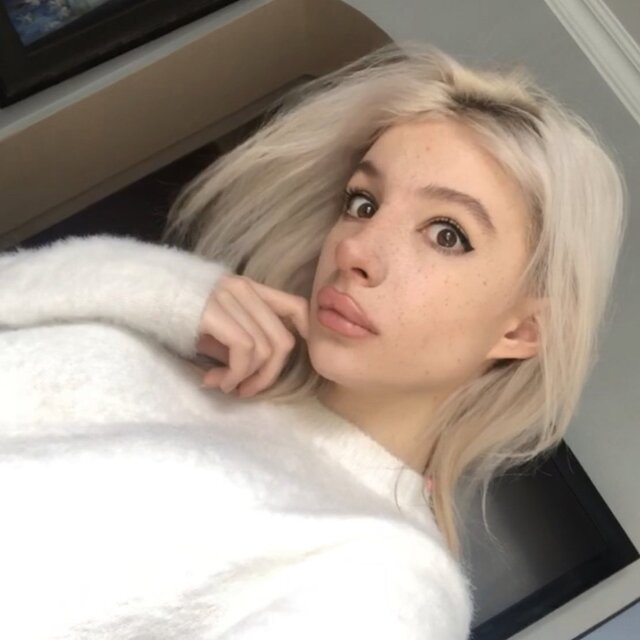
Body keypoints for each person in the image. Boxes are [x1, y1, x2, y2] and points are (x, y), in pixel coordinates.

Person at [0, 40, 626, 639]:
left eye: (446, 234)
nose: (356, 249)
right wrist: (150, 286)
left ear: (521, 330)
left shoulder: (388, 577)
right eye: (364, 203)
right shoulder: (178, 339)